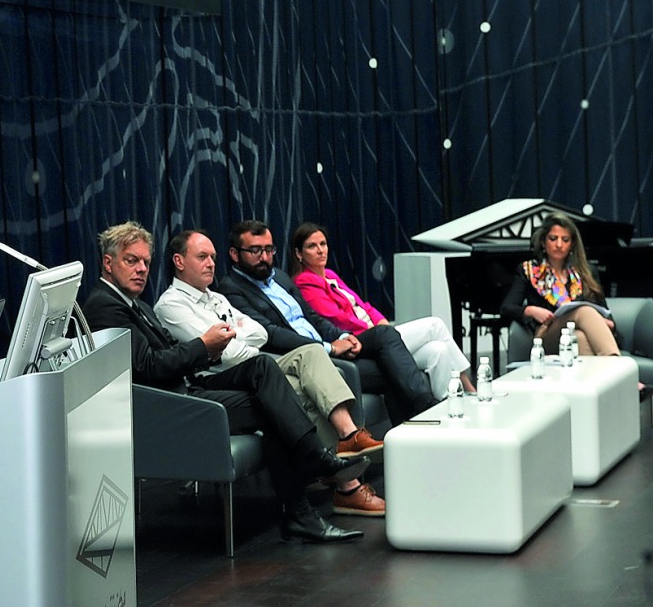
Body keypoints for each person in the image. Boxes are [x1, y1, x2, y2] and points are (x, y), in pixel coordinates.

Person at [81, 221, 371, 543]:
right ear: (108, 263)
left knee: (262, 367)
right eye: (131, 261)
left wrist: (202, 349)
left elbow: (249, 336)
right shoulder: (105, 306)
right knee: (272, 404)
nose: (141, 269)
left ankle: (309, 484)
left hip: (188, 386)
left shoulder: (138, 305)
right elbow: (148, 367)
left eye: (146, 262)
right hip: (171, 405)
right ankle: (306, 494)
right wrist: (203, 345)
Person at [153, 230, 385, 517]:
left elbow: (259, 332)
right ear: (179, 261)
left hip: (256, 363)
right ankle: (347, 486)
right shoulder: (171, 304)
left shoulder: (215, 297)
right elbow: (227, 355)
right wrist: (237, 334)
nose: (211, 263)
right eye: (202, 257)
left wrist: (232, 333)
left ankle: (349, 435)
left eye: (212, 257)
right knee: (299, 391)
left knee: (312, 352)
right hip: (224, 377)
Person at [215, 220, 437, 426]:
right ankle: (424, 414)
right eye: (255, 251)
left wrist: (342, 337)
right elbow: (270, 333)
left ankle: (413, 430)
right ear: (235, 254)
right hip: (306, 357)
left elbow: (312, 317)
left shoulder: (279, 278)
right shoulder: (232, 289)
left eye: (269, 250)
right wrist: (329, 347)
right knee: (390, 367)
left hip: (327, 345)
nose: (264, 257)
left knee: (383, 335)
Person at [288, 221, 474, 399]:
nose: (321, 250)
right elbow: (336, 318)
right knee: (435, 325)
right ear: (299, 254)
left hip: (378, 332)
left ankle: (446, 405)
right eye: (312, 246)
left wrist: (381, 323)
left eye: (323, 244)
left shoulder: (330, 275)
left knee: (438, 350)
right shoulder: (304, 282)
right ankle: (470, 388)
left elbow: (363, 306)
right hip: (360, 338)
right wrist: (377, 331)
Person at [500, 212, 621, 357]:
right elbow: (507, 308)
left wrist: (603, 323)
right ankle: (622, 372)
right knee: (583, 311)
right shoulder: (529, 270)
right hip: (548, 334)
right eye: (553, 239)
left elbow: (606, 314)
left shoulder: (586, 271)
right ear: (544, 242)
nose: (559, 245)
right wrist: (531, 311)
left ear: (572, 245)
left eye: (565, 240)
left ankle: (602, 377)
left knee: (579, 338)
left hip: (576, 333)